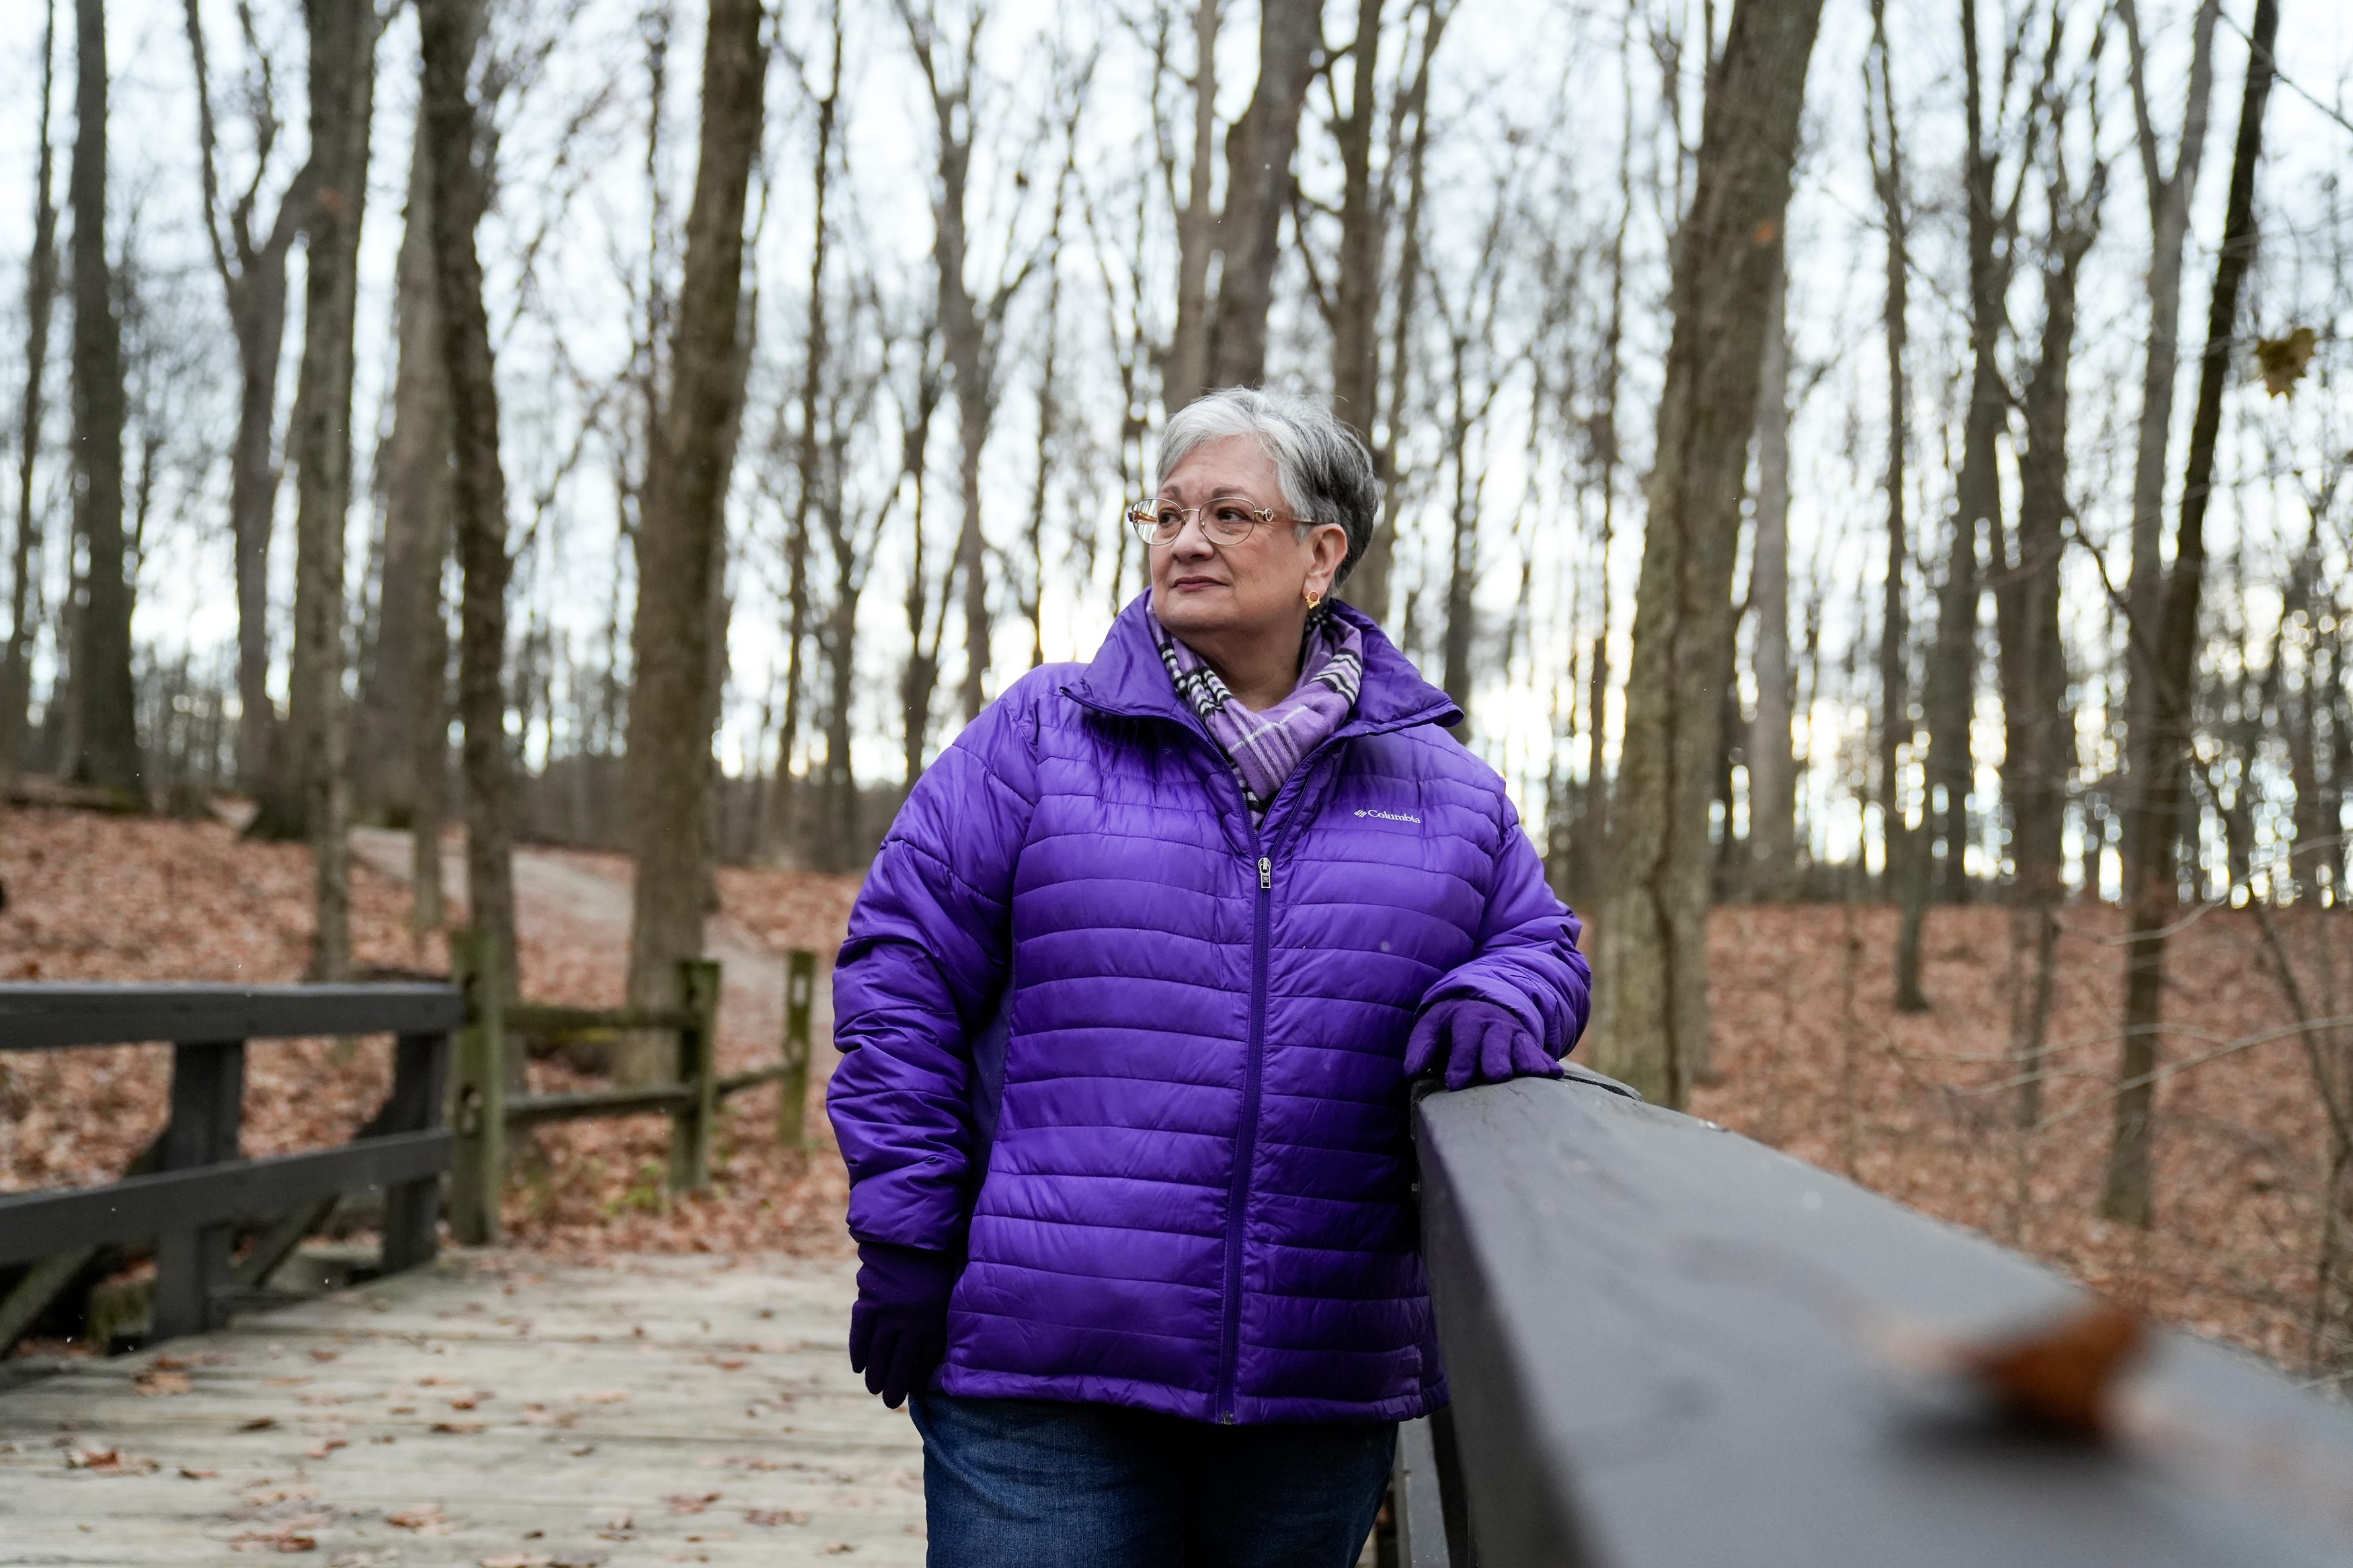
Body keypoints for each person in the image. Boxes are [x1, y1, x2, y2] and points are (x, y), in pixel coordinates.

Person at [827, 387, 1592, 1567]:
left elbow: (1544, 944)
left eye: (1230, 513)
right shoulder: (1041, 737)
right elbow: (900, 970)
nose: (1184, 539)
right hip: (1044, 1357)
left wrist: (1504, 994)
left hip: (1312, 1375)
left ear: (1321, 554)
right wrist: (910, 1235)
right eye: (1167, 511)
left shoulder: (1445, 786)